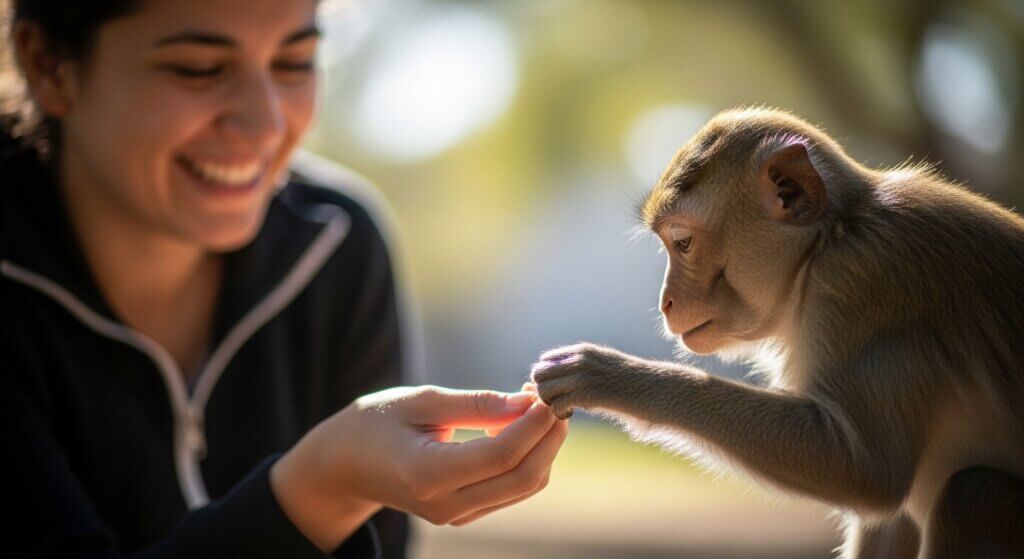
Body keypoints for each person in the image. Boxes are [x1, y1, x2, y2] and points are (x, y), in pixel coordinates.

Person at [0, 0, 569, 557]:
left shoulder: (336, 243)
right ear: (48, 64)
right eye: (199, 69)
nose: (265, 121)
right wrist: (325, 488)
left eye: (293, 63)